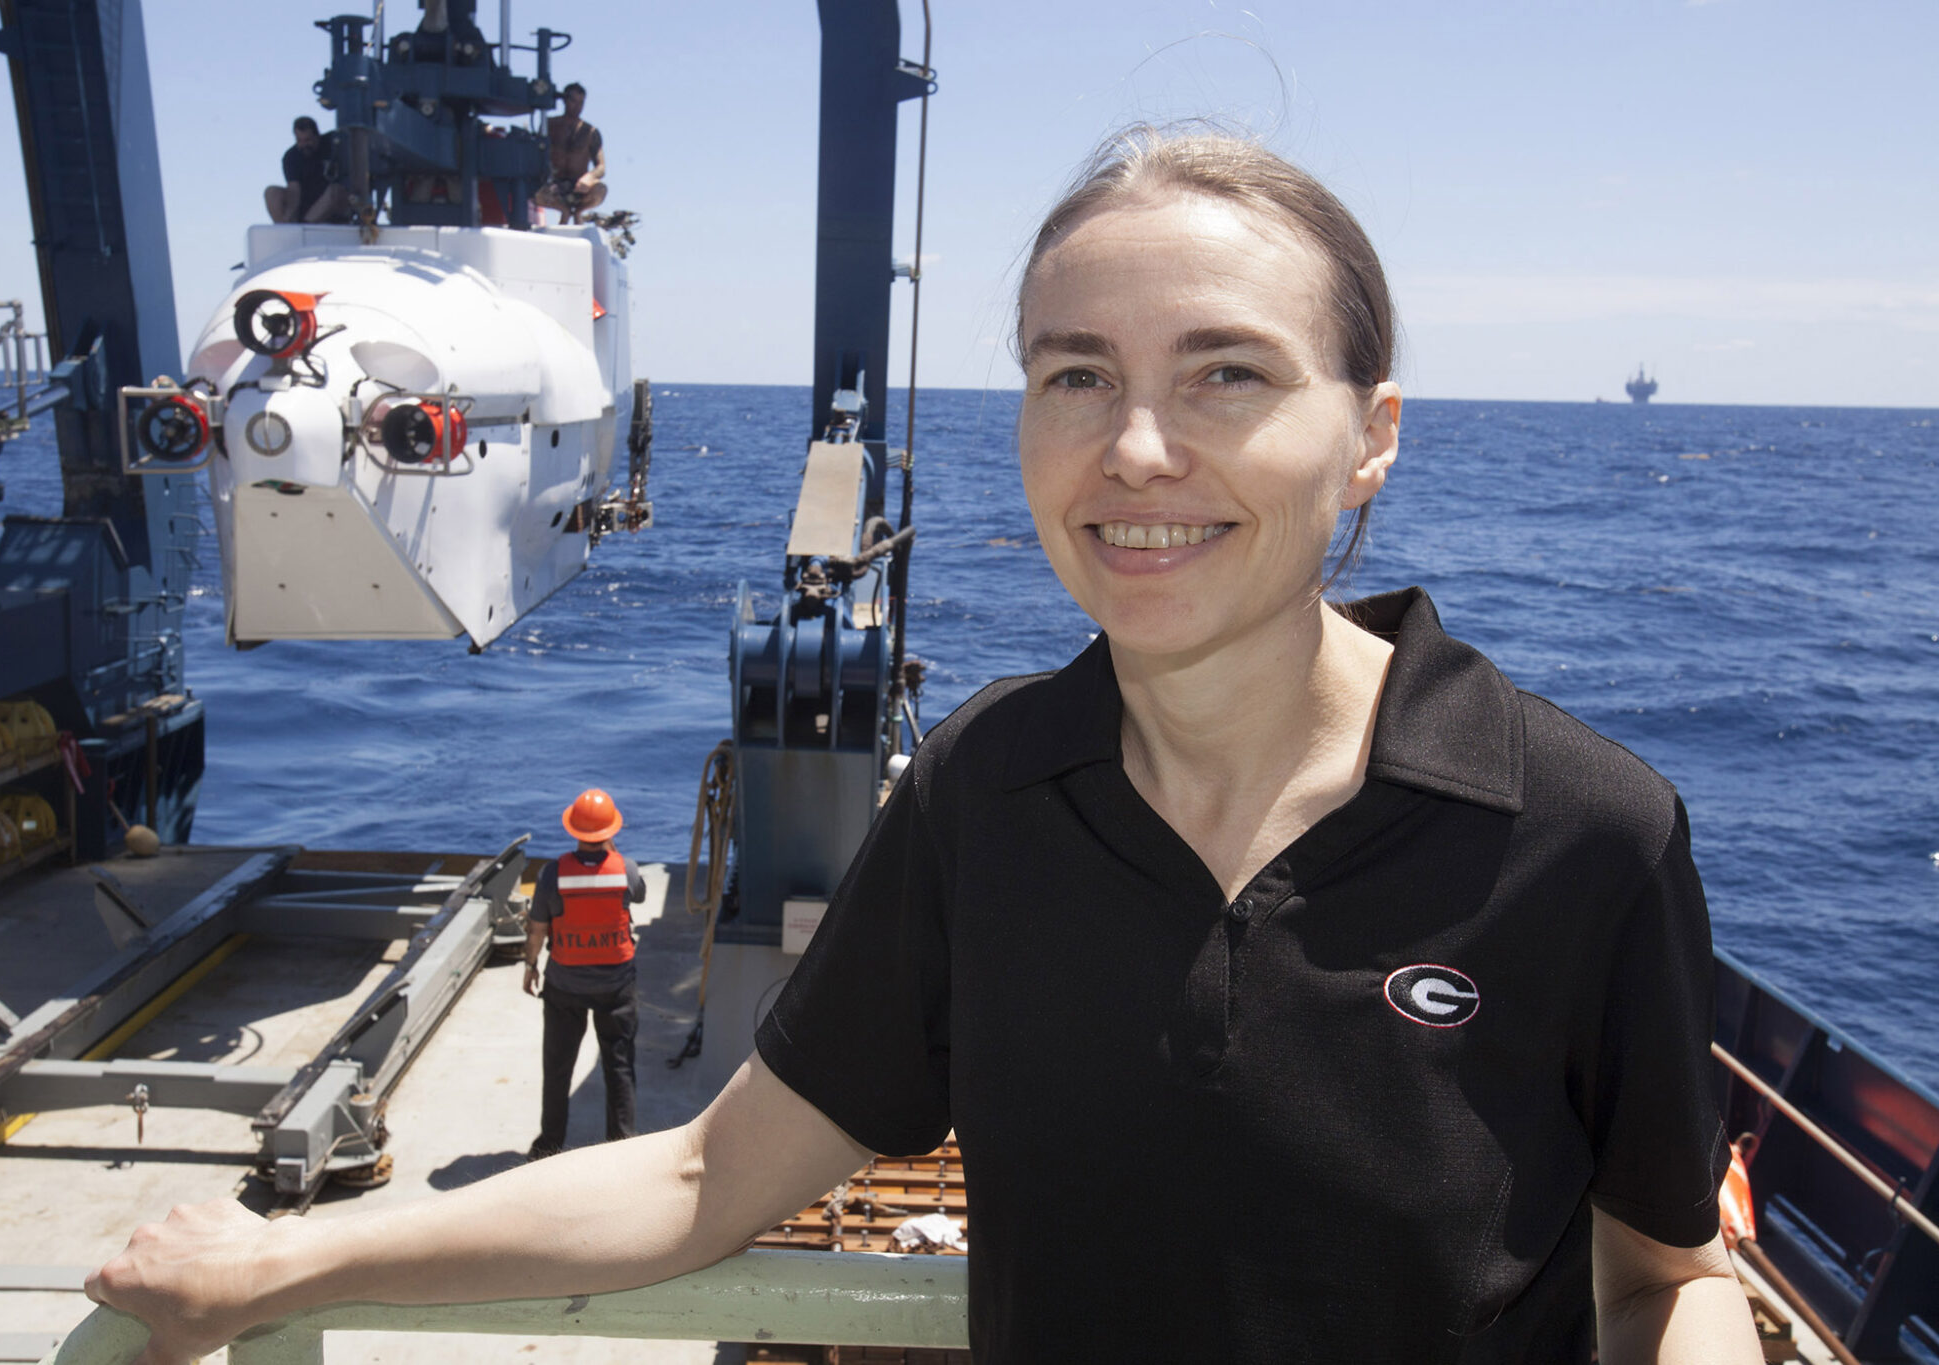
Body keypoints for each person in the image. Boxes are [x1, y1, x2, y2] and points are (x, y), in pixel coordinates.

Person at [85, 127, 1762, 1365]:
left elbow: (1664, 1282)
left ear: (1369, 436)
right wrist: (284, 1264)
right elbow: (699, 1179)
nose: (1138, 449)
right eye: (1074, 375)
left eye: (1230, 374)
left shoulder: (1576, 831)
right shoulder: (989, 797)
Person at [523, 788, 644, 1156]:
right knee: (619, 1067)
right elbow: (636, 895)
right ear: (610, 832)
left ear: (574, 830)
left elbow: (538, 927)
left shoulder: (552, 874)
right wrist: (614, 855)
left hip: (564, 985)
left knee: (557, 1068)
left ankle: (549, 1145)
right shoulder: (625, 869)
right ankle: (620, 1148)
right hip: (616, 986)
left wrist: (530, 966)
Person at [533, 83, 606, 223]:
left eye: (581, 102)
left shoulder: (590, 132)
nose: (577, 106)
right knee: (534, 191)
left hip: (579, 186)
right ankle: (564, 211)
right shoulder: (549, 125)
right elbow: (536, 155)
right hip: (554, 184)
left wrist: (589, 177)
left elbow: (601, 167)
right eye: (573, 101)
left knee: (600, 190)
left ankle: (579, 212)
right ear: (565, 100)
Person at [264, 116, 349, 225]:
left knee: (335, 190)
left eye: (308, 140)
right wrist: (290, 215)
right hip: (303, 203)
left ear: (317, 136)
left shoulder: (333, 144)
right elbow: (294, 189)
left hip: (331, 204)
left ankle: (306, 226)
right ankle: (285, 228)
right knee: (271, 192)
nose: (304, 145)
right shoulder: (291, 156)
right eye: (299, 140)